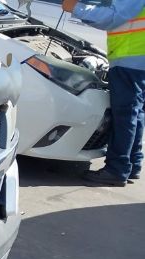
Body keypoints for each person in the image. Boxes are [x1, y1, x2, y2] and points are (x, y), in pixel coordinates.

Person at [62, 0, 145, 186]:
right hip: (137, 60)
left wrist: (76, 8)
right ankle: (132, 163)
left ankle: (117, 169)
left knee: (124, 115)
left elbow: (113, 17)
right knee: (135, 113)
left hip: (129, 59)